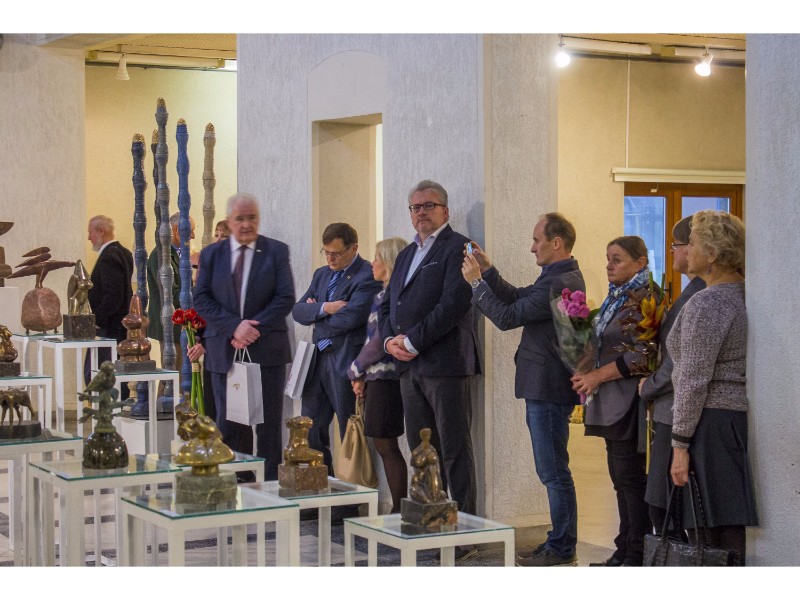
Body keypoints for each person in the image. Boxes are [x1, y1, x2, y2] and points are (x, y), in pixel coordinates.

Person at [461, 213, 583, 567]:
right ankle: (559, 542)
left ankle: (562, 547)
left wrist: (476, 284)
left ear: (556, 242)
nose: (532, 248)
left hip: (549, 388)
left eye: (536, 240)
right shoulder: (557, 276)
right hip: (544, 386)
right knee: (552, 470)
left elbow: (507, 317)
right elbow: (516, 298)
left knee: (554, 472)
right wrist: (488, 271)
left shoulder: (559, 281)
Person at [378, 179, 480, 561]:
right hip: (410, 369)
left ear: (445, 211)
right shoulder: (407, 254)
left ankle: (464, 532)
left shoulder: (460, 248)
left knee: (454, 450)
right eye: (415, 207)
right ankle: (430, 522)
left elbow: (454, 304)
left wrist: (412, 342)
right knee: (422, 450)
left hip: (446, 365)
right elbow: (387, 303)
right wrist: (390, 341)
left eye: (428, 205)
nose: (421, 212)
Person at [667, 210, 757, 564]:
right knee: (723, 530)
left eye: (692, 243)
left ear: (713, 254)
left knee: (708, 534)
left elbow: (692, 378)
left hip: (709, 422)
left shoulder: (709, 302)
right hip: (725, 422)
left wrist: (679, 445)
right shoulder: (739, 292)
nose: (686, 250)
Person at [194, 193, 295, 480]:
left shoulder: (276, 251)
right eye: (240, 218)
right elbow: (201, 299)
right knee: (229, 424)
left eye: (252, 218)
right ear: (229, 221)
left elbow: (285, 297)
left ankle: (269, 489)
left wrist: (252, 329)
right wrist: (234, 327)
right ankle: (239, 485)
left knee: (268, 427)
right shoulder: (212, 255)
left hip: (267, 350)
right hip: (223, 350)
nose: (247, 224)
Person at [570, 236, 654, 567]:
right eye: (607, 258)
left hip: (629, 401)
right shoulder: (618, 296)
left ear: (640, 262)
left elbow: (642, 356)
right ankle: (624, 548)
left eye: (616, 259)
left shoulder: (645, 298)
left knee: (630, 482)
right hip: (611, 400)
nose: (608, 265)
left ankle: (635, 554)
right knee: (621, 481)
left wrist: (596, 376)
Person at [292, 223, 381, 473]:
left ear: (353, 248)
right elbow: (298, 311)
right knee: (311, 428)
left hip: (345, 361)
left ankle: (349, 492)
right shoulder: (321, 274)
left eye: (336, 253)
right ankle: (319, 484)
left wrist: (316, 313)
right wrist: (326, 308)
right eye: (326, 252)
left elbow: (350, 319)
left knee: (348, 429)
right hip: (317, 361)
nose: (330, 259)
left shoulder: (367, 275)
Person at [638, 216, 706, 535]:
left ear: (693, 247)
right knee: (662, 507)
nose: (673, 252)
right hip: (669, 408)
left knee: (664, 507)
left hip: (676, 408)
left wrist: (649, 385)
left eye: (676, 245)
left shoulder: (700, 294)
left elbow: (681, 359)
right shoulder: (692, 290)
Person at [347, 236, 410, 513]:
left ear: (390, 262)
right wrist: (362, 376)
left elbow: (378, 342)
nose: (372, 263)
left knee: (386, 443)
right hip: (376, 377)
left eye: (377, 258)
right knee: (383, 443)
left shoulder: (392, 296)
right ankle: (398, 506)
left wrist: (355, 369)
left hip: (387, 378)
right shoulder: (381, 295)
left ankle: (399, 507)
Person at [84, 215, 133, 394]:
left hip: (109, 328)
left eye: (90, 232)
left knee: (99, 375)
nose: (89, 237)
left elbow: (113, 295)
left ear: (100, 231)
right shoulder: (124, 253)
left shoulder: (109, 257)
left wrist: (98, 319)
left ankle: (108, 410)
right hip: (119, 327)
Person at [147, 211, 195, 373]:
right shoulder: (161, 256)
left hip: (182, 322)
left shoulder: (179, 254)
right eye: (190, 231)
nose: (193, 236)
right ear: (175, 230)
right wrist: (199, 286)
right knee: (174, 374)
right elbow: (171, 294)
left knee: (180, 373)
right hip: (171, 324)